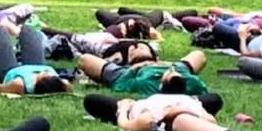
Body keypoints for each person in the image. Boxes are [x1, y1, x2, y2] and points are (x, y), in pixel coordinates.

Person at [75, 52, 211, 96]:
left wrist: (135, 68)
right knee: (199, 55)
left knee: (85, 59)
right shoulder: (190, 80)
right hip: (174, 64)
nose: (171, 72)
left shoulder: (144, 84)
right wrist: (171, 66)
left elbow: (119, 85)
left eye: (169, 74)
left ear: (162, 83)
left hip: (130, 71)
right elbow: (204, 90)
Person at [84, 91, 222, 131]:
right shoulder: (196, 111)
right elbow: (212, 123)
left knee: (91, 100)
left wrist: (123, 109)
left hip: (134, 107)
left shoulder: (151, 119)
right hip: (184, 98)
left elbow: (125, 126)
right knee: (215, 99)